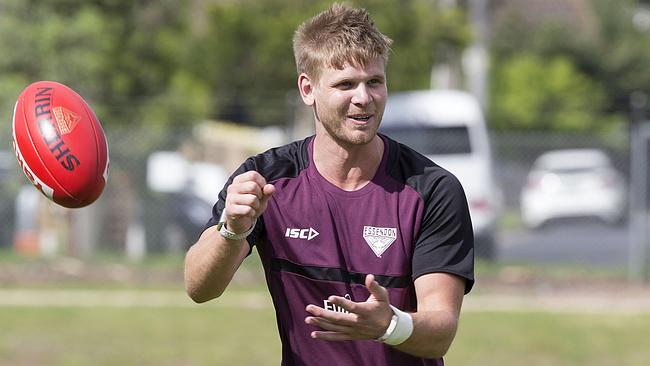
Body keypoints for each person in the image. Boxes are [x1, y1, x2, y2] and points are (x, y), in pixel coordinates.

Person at [184, 3, 474, 365]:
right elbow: (199, 287)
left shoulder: (431, 190)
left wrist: (390, 324)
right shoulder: (266, 179)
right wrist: (233, 230)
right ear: (308, 89)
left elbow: (441, 331)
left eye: (374, 82)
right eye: (345, 84)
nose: (363, 98)